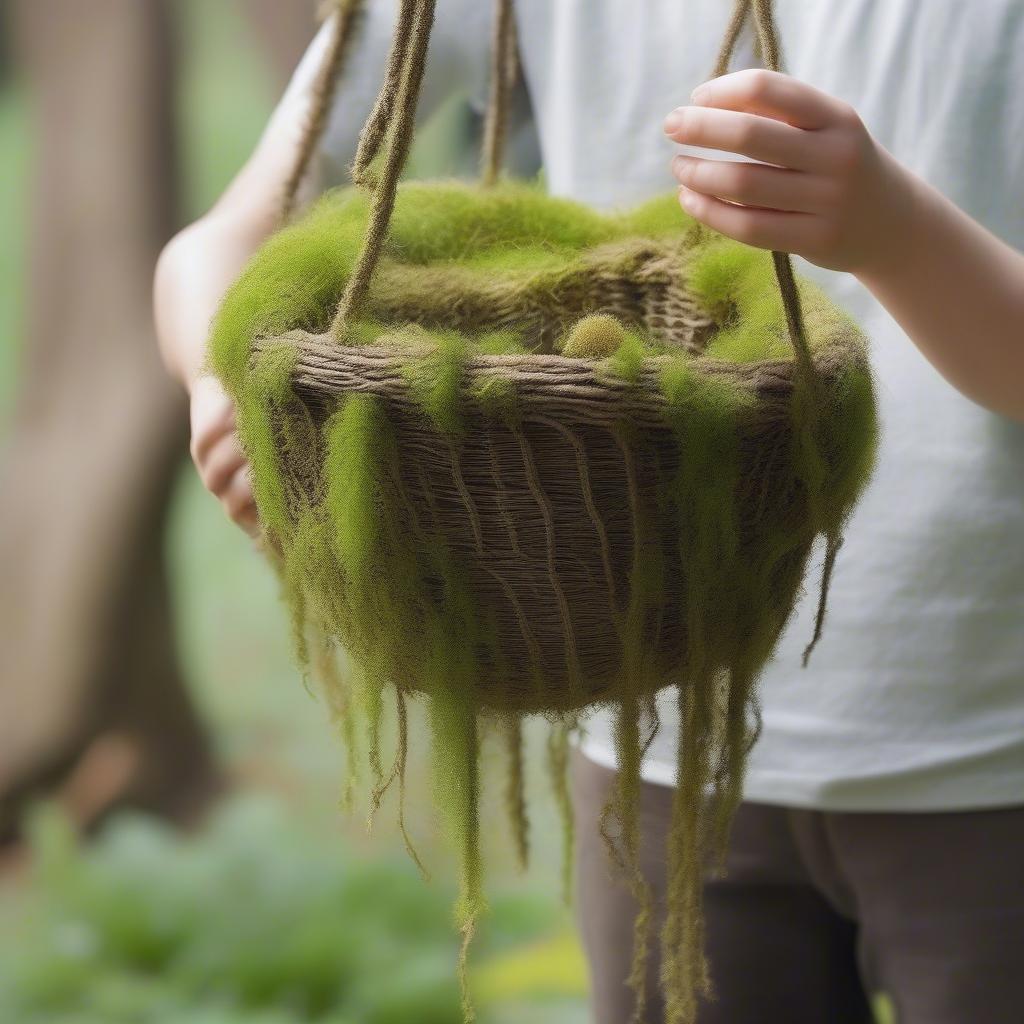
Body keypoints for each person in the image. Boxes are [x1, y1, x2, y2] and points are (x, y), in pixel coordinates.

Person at [155, 2, 1024, 1022]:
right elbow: (226, 236)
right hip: (653, 737)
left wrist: (897, 230)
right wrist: (222, 380)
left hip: (986, 749)